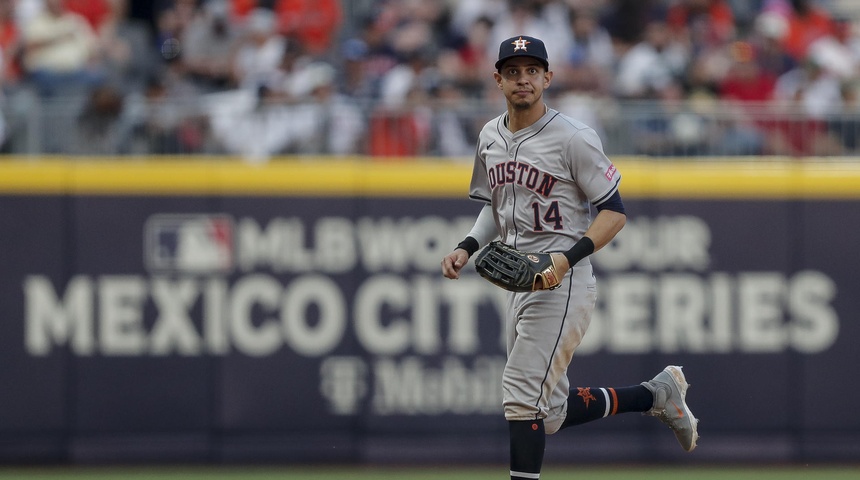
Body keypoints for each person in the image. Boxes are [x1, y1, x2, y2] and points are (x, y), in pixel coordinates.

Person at [440, 35, 699, 480]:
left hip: (563, 281)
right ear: (498, 79)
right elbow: (495, 204)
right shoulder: (489, 136)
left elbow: (614, 214)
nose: (524, 79)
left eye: (532, 71)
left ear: (548, 78)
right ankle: (655, 394)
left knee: (521, 394)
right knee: (550, 412)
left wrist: (566, 258)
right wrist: (466, 245)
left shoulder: (574, 137)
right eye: (514, 72)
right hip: (517, 283)